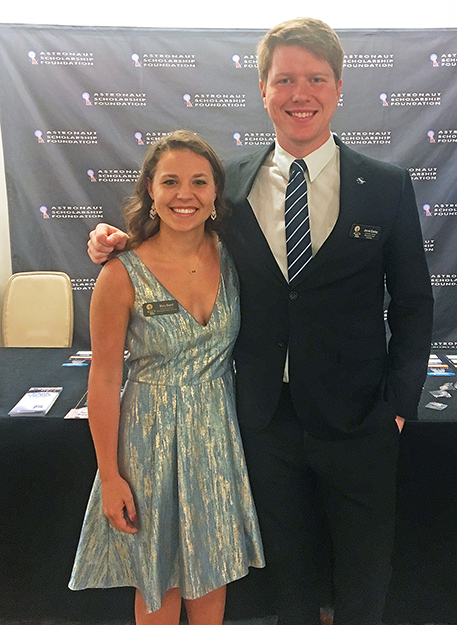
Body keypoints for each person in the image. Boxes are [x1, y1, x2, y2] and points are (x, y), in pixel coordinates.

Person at [87, 18, 434, 625]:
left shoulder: (387, 186)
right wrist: (114, 241)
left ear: (338, 87)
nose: (301, 93)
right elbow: (176, 233)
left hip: (361, 422)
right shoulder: (230, 187)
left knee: (364, 576)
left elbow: (413, 306)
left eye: (316, 79)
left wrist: (399, 403)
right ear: (263, 89)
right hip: (261, 424)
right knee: (289, 580)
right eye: (285, 79)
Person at [70, 130, 264, 625]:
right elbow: (103, 379)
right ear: (150, 192)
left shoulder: (236, 255)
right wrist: (110, 476)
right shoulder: (121, 273)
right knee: (159, 582)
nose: (185, 194)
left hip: (217, 438)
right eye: (171, 181)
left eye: (199, 182)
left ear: (216, 195)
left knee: (210, 575)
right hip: (147, 442)